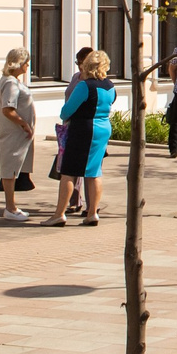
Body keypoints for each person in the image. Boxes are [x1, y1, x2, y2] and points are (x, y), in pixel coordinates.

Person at [53, 50, 117, 226]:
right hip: (103, 128)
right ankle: (92, 213)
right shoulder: (110, 86)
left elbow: (66, 111)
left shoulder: (84, 85)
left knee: (69, 172)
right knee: (95, 172)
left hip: (84, 129)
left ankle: (59, 214)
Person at [0, 49, 37, 222]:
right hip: (13, 134)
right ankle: (10, 208)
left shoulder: (11, 81)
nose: (28, 65)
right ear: (19, 63)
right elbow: (8, 109)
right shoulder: (11, 83)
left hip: (17, 135)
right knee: (10, 169)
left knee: (13, 169)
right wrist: (24, 124)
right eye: (26, 62)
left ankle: (12, 206)